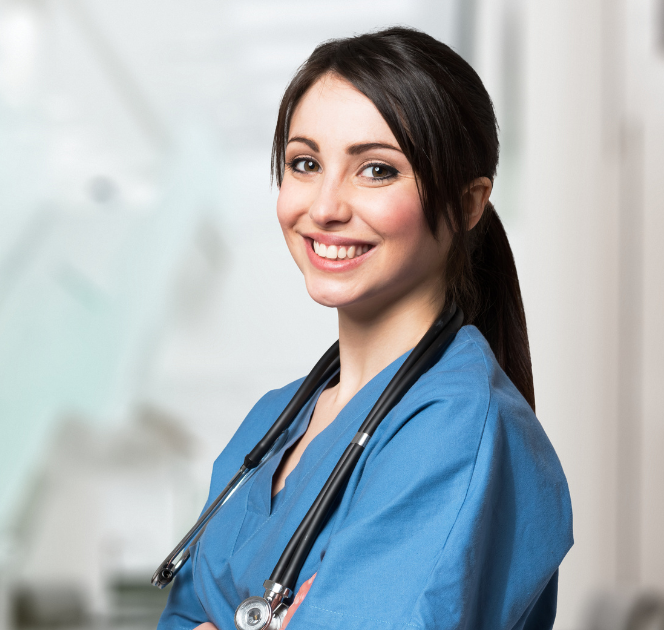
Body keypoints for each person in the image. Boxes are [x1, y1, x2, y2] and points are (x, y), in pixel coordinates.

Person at [157, 27, 572, 630]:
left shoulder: (457, 428)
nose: (324, 207)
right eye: (305, 163)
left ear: (468, 203)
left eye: (376, 170)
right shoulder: (271, 424)